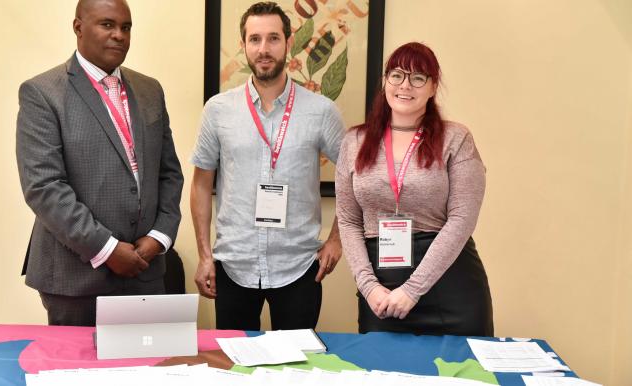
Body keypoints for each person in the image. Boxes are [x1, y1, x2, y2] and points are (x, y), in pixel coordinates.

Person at [16, 0, 183, 326]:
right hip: (76, 277)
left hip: (144, 271)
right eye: (107, 25)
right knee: (79, 376)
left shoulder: (150, 90)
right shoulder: (42, 93)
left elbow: (170, 173)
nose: (119, 35)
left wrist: (160, 237)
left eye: (126, 27)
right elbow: (44, 187)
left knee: (145, 372)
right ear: (78, 27)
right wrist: (107, 249)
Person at [190, 2, 344, 331]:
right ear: (243, 45)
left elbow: (355, 181)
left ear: (289, 43)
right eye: (255, 39)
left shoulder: (322, 111)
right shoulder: (218, 110)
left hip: (299, 266)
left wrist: (336, 240)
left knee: (295, 370)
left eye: (273, 38)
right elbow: (201, 184)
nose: (264, 49)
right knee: (234, 370)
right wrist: (205, 255)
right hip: (233, 265)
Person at [335, 42, 493, 336]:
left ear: (433, 87)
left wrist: (413, 289)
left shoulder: (456, 139)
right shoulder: (354, 141)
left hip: (450, 287)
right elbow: (348, 219)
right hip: (381, 291)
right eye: (397, 75)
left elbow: (462, 219)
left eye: (418, 77)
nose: (405, 85)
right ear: (385, 81)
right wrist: (368, 287)